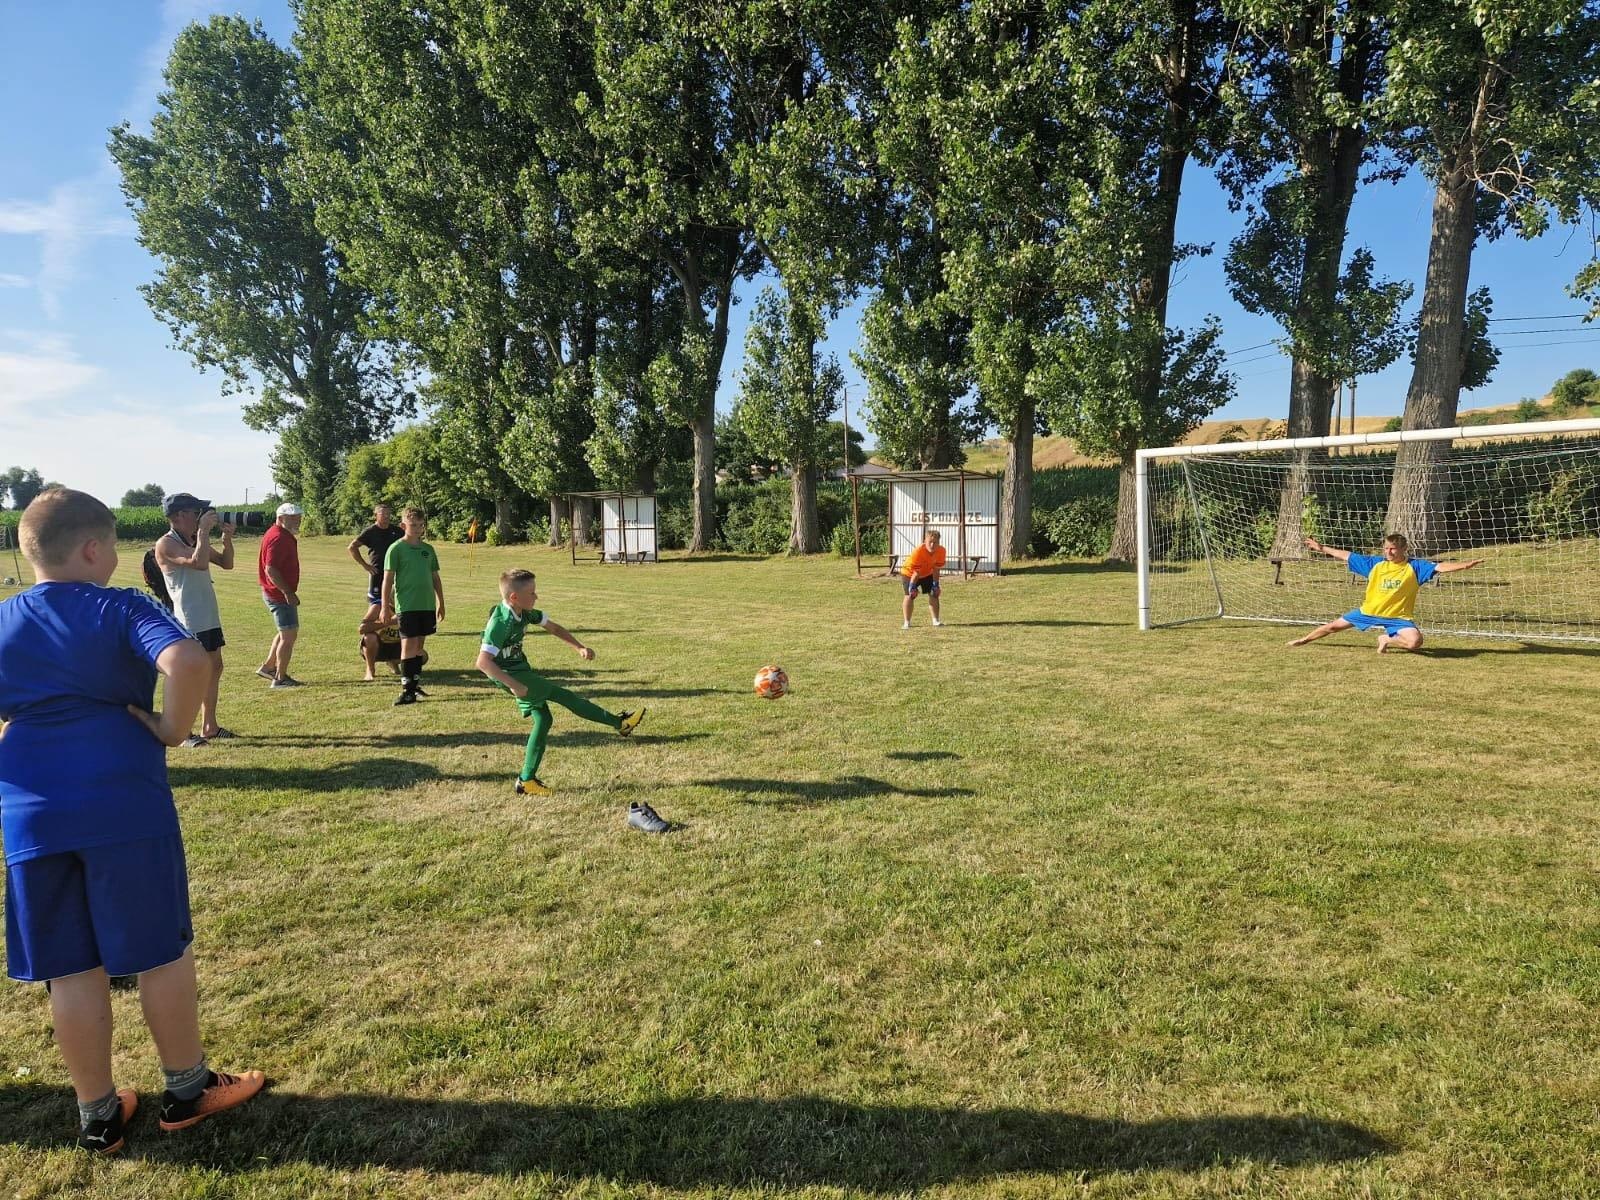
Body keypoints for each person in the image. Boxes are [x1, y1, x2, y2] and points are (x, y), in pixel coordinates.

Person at [0, 489, 264, 1155]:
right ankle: (186, 1088)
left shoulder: (4, 621)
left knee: (71, 970)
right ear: (92, 550)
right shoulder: (121, 606)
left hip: (31, 815)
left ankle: (97, 1114)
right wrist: (171, 729)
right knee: (161, 951)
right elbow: (188, 659)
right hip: (123, 805)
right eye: (113, 546)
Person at [476, 568, 645, 796]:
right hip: (510, 675)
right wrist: (514, 685)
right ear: (514, 597)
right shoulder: (501, 622)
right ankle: (620, 724)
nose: (536, 597)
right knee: (565, 696)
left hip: (519, 671)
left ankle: (526, 781)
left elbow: (553, 628)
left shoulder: (525, 612)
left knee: (544, 719)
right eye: (532, 593)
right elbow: (483, 663)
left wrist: (579, 647)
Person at [1288, 533, 1485, 653]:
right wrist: (1322, 548)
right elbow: (1345, 555)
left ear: (1404, 549)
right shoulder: (1374, 564)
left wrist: (1464, 565)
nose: (1388, 553)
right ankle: (1304, 639)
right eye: (1386, 549)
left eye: (1392, 549)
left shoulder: (1416, 567)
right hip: (1369, 611)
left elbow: (1441, 566)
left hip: (1398, 617)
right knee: (1332, 627)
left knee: (1415, 642)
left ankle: (1386, 639)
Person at [153, 494, 234, 745]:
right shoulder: (167, 544)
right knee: (192, 674)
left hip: (207, 614)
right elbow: (198, 563)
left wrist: (227, 538)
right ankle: (184, 732)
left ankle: (209, 725)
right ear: (178, 516)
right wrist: (203, 533)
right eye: (194, 511)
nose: (199, 515)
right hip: (189, 618)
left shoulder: (193, 539)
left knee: (214, 669)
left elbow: (226, 563)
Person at [381, 507, 446, 705]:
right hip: (407, 606)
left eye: (420, 525)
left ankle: (415, 685)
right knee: (408, 646)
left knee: (419, 646)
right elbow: (387, 580)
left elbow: (435, 577)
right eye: (413, 525)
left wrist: (441, 602)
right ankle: (406, 690)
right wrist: (385, 606)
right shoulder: (396, 549)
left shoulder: (428, 550)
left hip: (426, 605)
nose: (417, 529)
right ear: (403, 526)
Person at [257, 504, 303, 688]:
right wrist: (288, 592)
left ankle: (268, 667)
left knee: (284, 632)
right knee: (289, 636)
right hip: (279, 594)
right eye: (292, 518)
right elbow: (271, 569)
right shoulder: (278, 537)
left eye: (298, 517)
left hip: (275, 592)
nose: (297, 521)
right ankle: (280, 678)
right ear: (281, 518)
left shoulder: (278, 533)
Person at [347, 503, 402, 610]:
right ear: (375, 515)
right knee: (376, 604)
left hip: (395, 573)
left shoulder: (397, 531)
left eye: (388, 514)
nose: (386, 516)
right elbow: (352, 547)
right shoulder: (371, 531)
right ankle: (373, 625)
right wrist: (365, 565)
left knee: (395, 603)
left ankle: (392, 626)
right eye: (383, 514)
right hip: (377, 573)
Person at [358, 600, 426, 681]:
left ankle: (394, 662)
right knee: (369, 638)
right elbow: (362, 629)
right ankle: (370, 670)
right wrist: (388, 622)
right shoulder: (378, 606)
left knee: (422, 656)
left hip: (398, 645)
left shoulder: (410, 608)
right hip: (379, 646)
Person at [900, 528, 947, 629]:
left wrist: (936, 584)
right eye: (930, 542)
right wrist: (912, 586)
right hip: (909, 573)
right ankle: (907, 623)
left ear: (939, 542)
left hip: (927, 573)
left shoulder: (941, 551)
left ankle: (936, 621)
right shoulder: (918, 551)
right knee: (909, 595)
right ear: (925, 541)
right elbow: (916, 573)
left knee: (934, 593)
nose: (932, 545)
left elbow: (936, 569)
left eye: (935, 542)